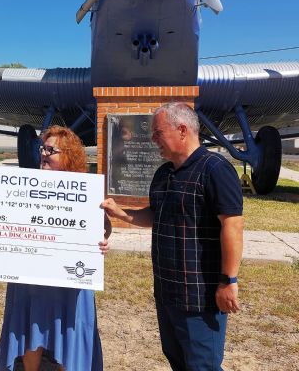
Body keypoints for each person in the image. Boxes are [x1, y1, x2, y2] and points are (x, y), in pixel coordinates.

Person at [101, 102, 244, 370]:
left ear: (182, 130)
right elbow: (156, 215)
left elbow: (233, 226)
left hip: (199, 298)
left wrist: (228, 281)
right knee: (177, 360)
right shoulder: (163, 173)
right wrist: (121, 213)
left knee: (202, 365)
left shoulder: (215, 169)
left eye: (158, 133)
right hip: (167, 293)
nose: (153, 140)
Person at [0, 125, 110, 371]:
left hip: (69, 280)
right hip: (31, 277)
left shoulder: (85, 189)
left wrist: (102, 239)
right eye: (42, 148)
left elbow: (104, 226)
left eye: (51, 149)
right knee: (31, 329)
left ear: (69, 155)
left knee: (68, 332)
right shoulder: (24, 184)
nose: (44, 154)